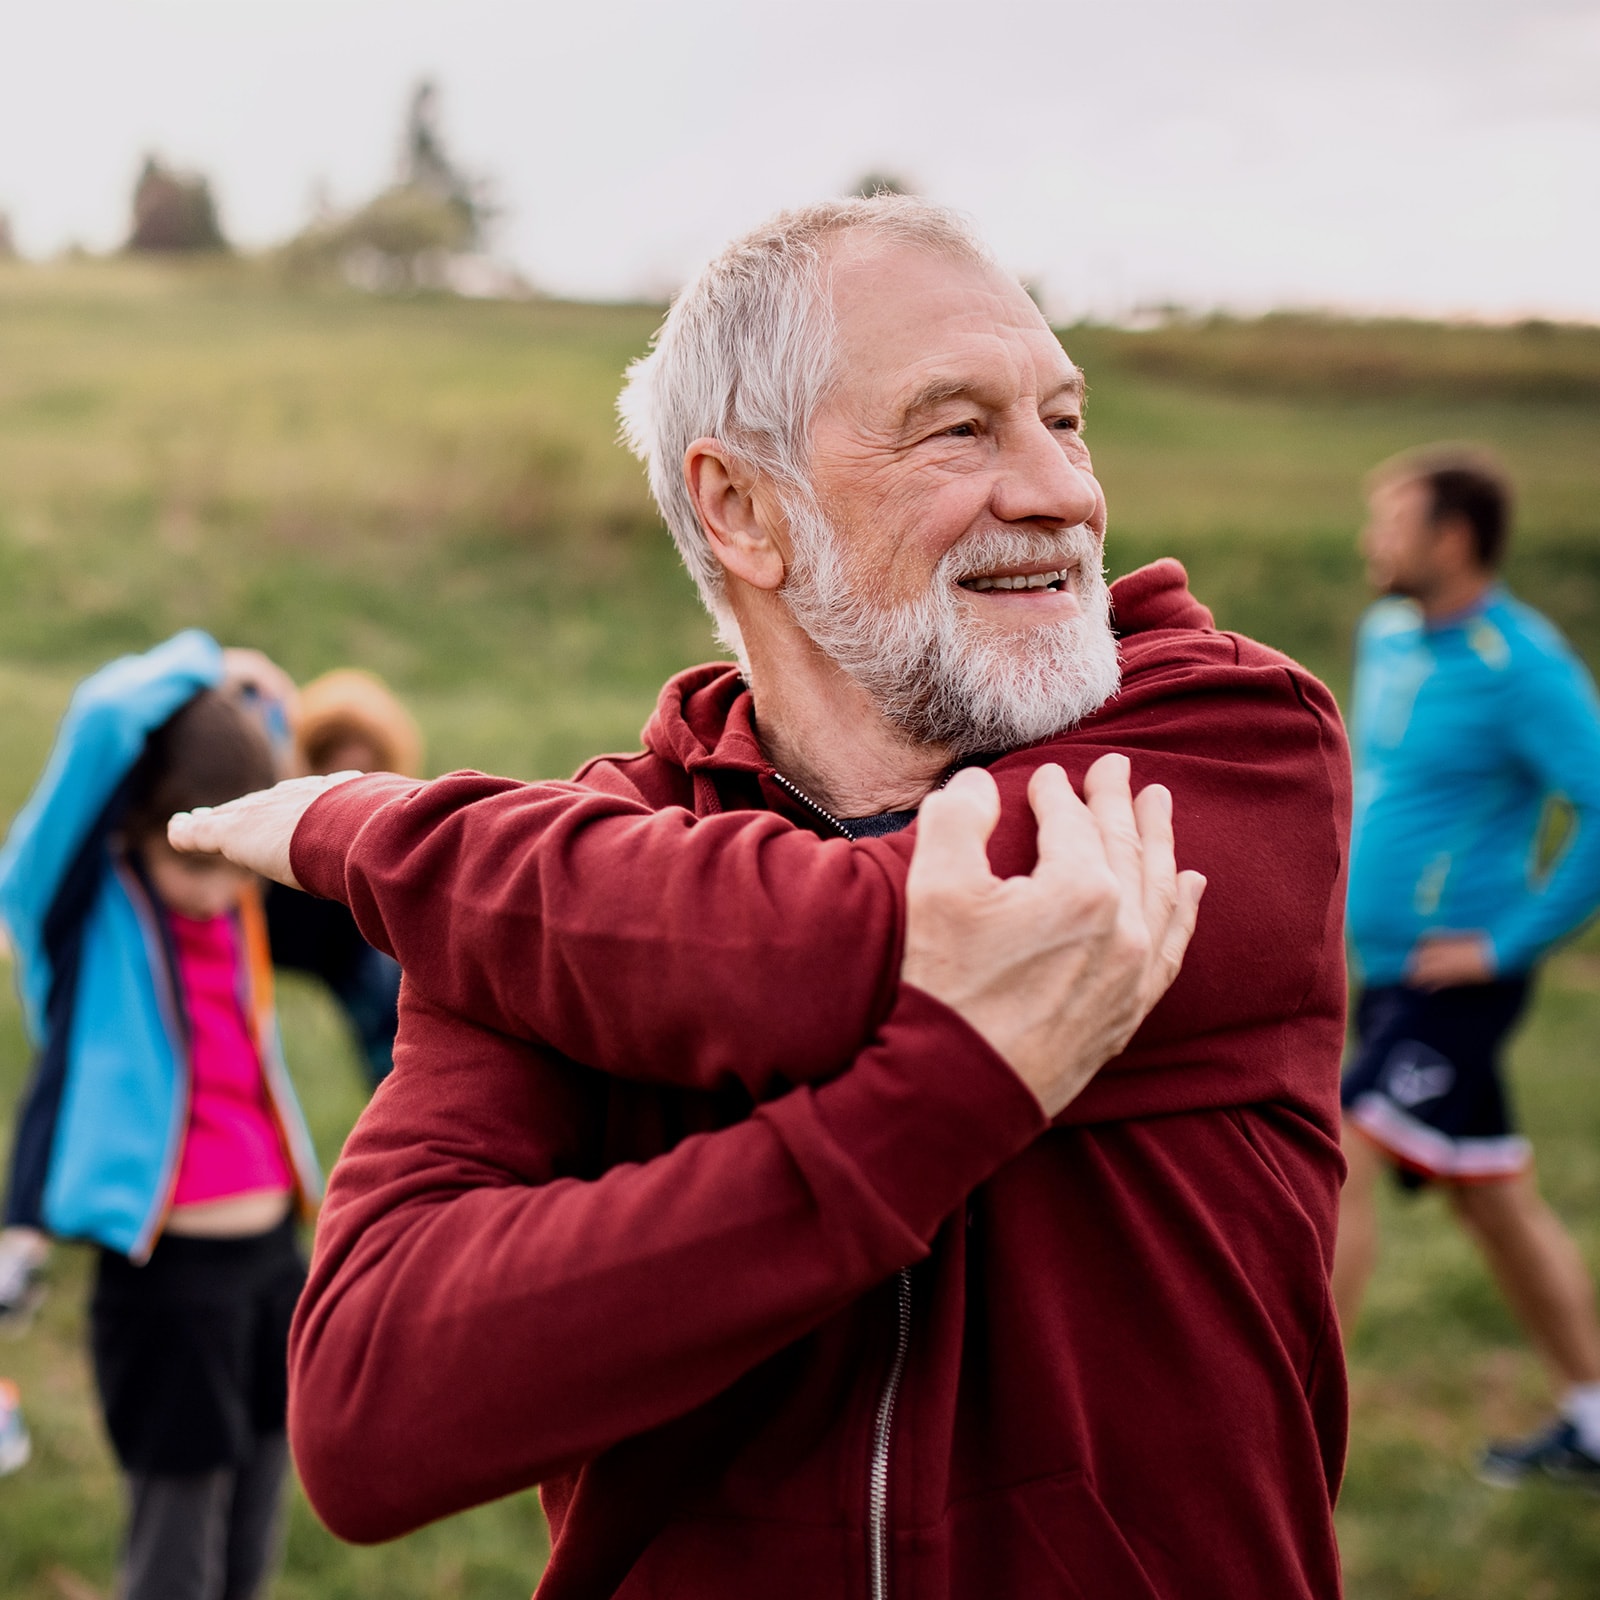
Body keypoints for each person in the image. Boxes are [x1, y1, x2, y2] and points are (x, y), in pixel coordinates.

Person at [174, 196, 1352, 1599]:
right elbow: (371, 1412)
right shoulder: (568, 880)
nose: (1063, 490)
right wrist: (938, 1100)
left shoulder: (1233, 738)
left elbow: (841, 947)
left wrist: (370, 832)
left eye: (1068, 418)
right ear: (743, 508)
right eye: (961, 427)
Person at [0, 632, 322, 1600]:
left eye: (238, 865)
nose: (228, 890)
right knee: (179, 1544)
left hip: (273, 1256)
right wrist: (213, 660)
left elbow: (268, 774)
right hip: (170, 1279)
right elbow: (106, 715)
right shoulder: (76, 910)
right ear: (144, 823)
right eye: (204, 862)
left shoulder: (231, 904)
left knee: (256, 1521)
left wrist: (269, 708)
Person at [1332, 444, 1600, 1485]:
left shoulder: (1519, 664)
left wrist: (1508, 940)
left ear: (1449, 537)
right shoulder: (1386, 633)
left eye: (1390, 521)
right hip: (1386, 972)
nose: (1372, 541)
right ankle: (1593, 1417)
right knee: (1491, 1194)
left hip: (1462, 982)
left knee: (1341, 1149)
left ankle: (1293, 1428)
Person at [264, 669, 420, 1086]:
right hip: (270, 922)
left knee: (393, 1018)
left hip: (340, 941)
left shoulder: (385, 843)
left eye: (365, 780)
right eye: (332, 776)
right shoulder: (266, 822)